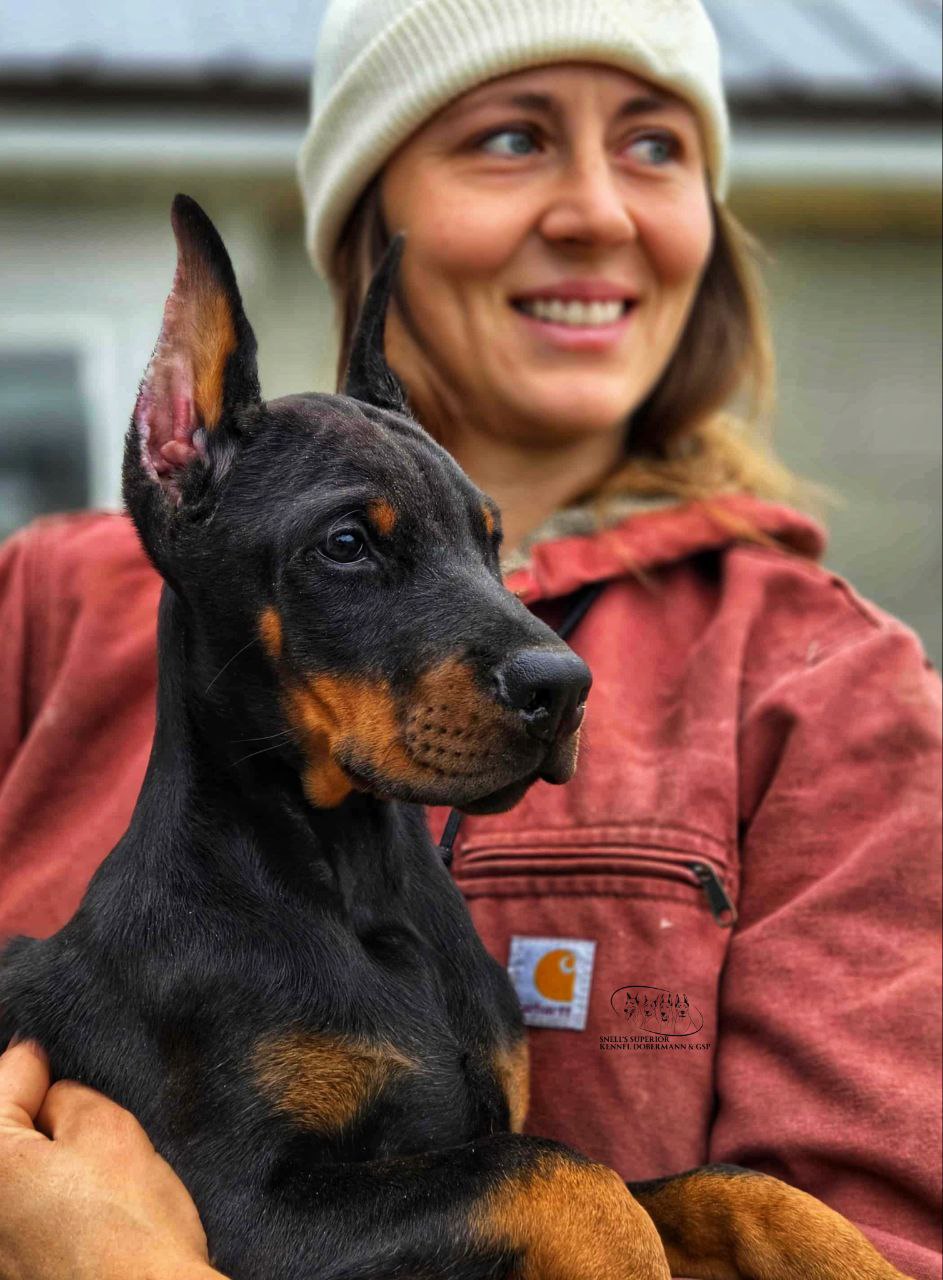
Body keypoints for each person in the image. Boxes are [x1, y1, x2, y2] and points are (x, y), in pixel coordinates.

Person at [0, 0, 940, 1277]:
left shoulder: (827, 680)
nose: (597, 211)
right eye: (511, 137)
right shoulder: (45, 601)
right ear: (367, 210)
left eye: (655, 146)